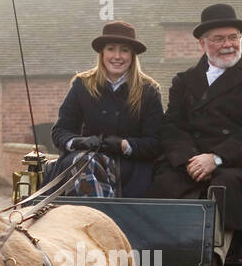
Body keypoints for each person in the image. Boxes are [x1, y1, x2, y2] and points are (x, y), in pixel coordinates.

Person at [149, 3, 242, 247]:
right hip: (191, 161)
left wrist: (216, 158)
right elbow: (171, 127)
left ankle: (223, 255)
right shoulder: (184, 81)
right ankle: (165, 253)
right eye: (219, 39)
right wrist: (191, 159)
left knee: (224, 186)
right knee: (163, 182)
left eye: (233, 37)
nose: (228, 44)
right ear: (203, 43)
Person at [48, 21, 163, 198]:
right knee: (84, 162)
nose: (117, 56)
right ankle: (103, 216)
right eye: (111, 49)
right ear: (102, 53)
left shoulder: (148, 90)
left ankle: (98, 218)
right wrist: (78, 142)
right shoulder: (82, 85)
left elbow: (156, 142)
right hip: (85, 160)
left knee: (87, 165)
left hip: (130, 169)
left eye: (124, 50)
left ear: (132, 56)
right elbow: (60, 131)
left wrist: (125, 145)